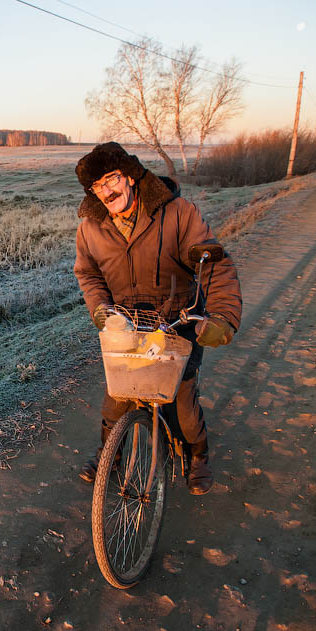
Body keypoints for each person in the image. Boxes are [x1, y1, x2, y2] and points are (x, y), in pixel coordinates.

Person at [73, 142, 242, 495]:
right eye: (97, 186)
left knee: (181, 402)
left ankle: (198, 456)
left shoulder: (178, 213)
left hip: (177, 324)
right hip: (128, 327)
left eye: (112, 179)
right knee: (117, 399)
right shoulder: (91, 228)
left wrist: (223, 315)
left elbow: (212, 264)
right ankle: (110, 455)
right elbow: (87, 274)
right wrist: (101, 308)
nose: (107, 191)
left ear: (131, 176)